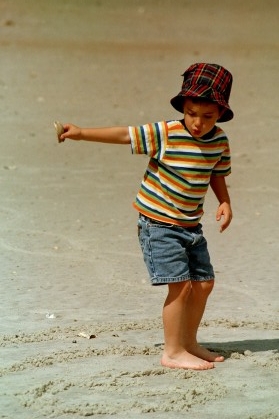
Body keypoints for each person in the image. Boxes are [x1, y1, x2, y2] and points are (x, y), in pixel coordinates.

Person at [59, 63, 234, 371]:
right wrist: (82, 133)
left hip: (191, 225)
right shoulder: (165, 133)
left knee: (204, 284)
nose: (198, 123)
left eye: (207, 116)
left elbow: (216, 172)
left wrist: (225, 202)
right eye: (192, 113)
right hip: (158, 224)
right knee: (179, 286)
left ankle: (189, 342)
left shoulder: (219, 140)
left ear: (220, 113)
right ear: (183, 106)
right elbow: (125, 135)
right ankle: (172, 351)